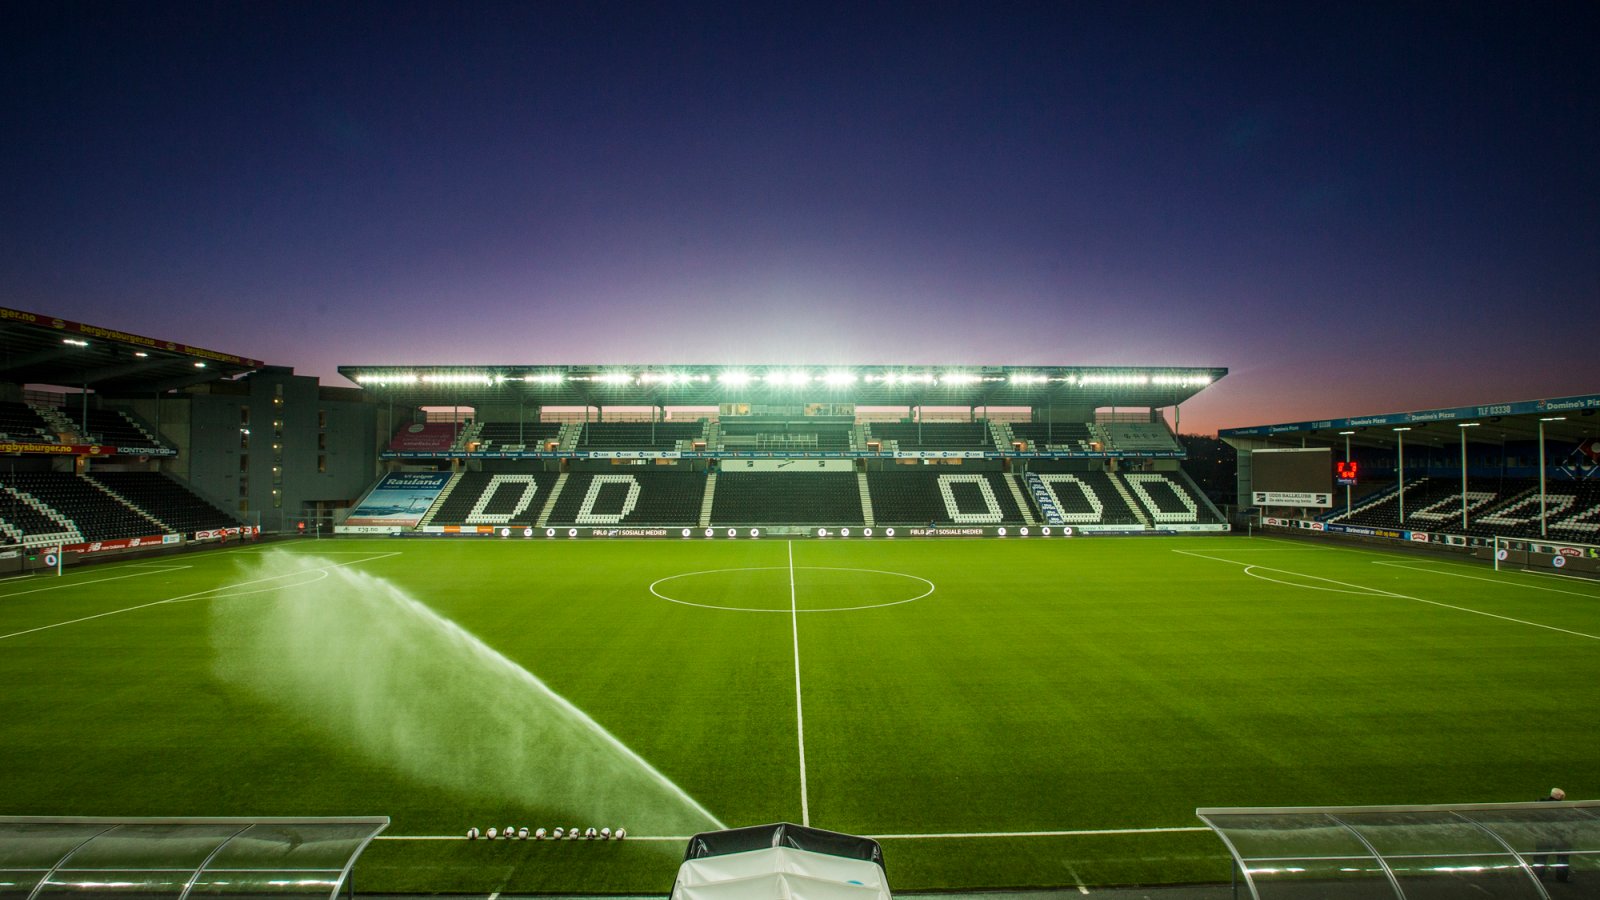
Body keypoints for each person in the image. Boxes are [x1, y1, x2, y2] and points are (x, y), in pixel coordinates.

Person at [1535, 788, 1571, 882]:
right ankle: (1562, 877)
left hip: (1543, 835)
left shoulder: (1540, 804)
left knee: (1541, 857)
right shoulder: (1563, 807)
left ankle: (1538, 877)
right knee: (1562, 857)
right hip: (1559, 836)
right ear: (1560, 797)